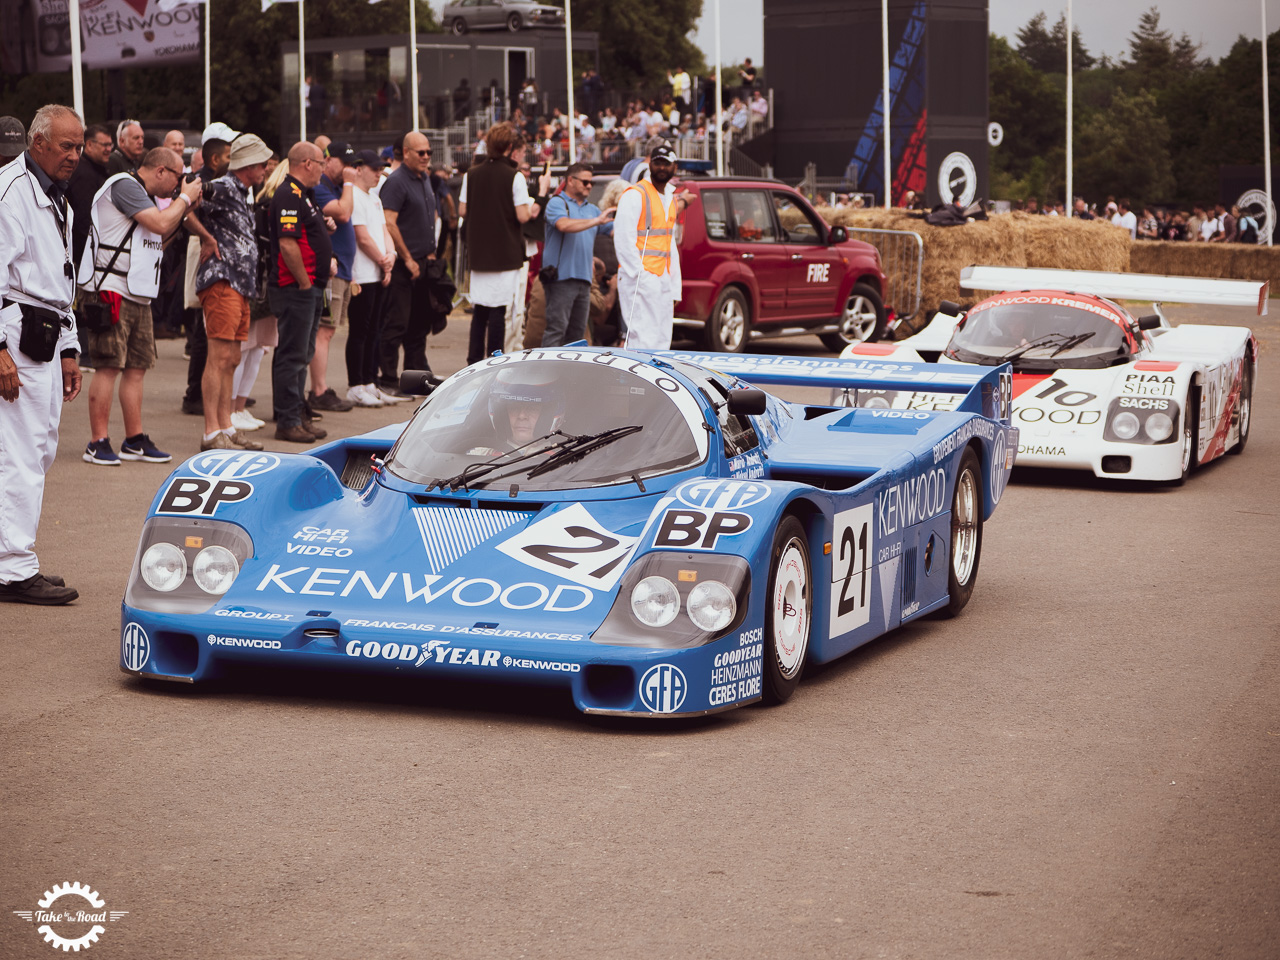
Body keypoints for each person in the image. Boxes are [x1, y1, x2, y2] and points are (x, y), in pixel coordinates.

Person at [0, 104, 85, 605]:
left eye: (78, 146)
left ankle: (12, 555)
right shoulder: (10, 191)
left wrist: (70, 347)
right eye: (66, 145)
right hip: (17, 330)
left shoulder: (58, 198)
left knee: (40, 446)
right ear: (37, 143)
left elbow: (62, 279)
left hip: (47, 331)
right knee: (21, 452)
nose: (74, 155)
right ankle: (13, 566)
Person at [82, 147, 200, 466]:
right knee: (109, 365)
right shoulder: (125, 185)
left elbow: (155, 240)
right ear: (160, 170)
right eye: (177, 177)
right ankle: (97, 441)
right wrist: (185, 200)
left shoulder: (143, 196)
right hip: (111, 290)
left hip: (137, 291)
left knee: (136, 367)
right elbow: (159, 224)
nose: (179, 184)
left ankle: (134, 440)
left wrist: (184, 208)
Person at [193, 133, 273, 452]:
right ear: (249, 165)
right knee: (219, 357)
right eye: (263, 164)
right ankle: (212, 432)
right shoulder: (224, 186)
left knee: (232, 357)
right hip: (222, 280)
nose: (267, 169)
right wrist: (205, 237)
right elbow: (188, 192)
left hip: (239, 284)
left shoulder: (241, 191)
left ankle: (226, 425)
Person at [459, 123, 545, 364]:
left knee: (480, 311)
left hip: (479, 251)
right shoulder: (514, 176)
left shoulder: (471, 173)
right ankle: (493, 359)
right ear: (509, 147)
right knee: (498, 310)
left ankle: (473, 359)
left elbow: (463, 209)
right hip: (505, 252)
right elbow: (523, 216)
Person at [267, 141, 332, 443]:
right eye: (321, 162)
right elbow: (287, 243)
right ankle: (288, 419)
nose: (323, 168)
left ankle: (298, 414)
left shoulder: (305, 195)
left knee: (303, 353)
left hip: (310, 287)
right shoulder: (288, 194)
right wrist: (304, 281)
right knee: (292, 355)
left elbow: (305, 236)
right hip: (295, 288)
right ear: (307, 163)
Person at [377, 129, 440, 399]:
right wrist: (408, 258)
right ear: (405, 153)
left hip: (424, 262)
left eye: (429, 152)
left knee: (419, 324)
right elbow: (388, 222)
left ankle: (415, 375)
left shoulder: (423, 178)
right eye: (421, 153)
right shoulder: (397, 181)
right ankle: (388, 378)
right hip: (405, 264)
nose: (426, 157)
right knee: (396, 323)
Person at [613, 142, 691, 350]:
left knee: (661, 340)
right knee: (642, 339)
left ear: (675, 167)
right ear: (650, 165)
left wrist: (675, 286)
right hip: (640, 279)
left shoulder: (670, 199)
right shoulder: (635, 194)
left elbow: (669, 246)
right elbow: (623, 240)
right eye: (657, 163)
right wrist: (641, 275)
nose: (662, 168)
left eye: (666, 164)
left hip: (661, 279)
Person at [308, 140, 358, 413]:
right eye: (344, 163)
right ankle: (318, 390)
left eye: (352, 164)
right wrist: (350, 183)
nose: (348, 169)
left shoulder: (337, 188)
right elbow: (343, 212)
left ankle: (321, 387)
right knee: (324, 331)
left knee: (329, 330)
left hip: (344, 271)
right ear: (328, 161)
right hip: (331, 270)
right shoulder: (322, 188)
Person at [542, 162, 615, 347]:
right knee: (557, 329)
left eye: (591, 183)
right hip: (561, 278)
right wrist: (596, 221)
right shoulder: (558, 202)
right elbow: (564, 225)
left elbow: (615, 230)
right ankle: (547, 373)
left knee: (576, 335)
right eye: (585, 182)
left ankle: (568, 374)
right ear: (570, 181)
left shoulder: (591, 209)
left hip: (584, 280)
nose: (589, 186)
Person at [346, 150, 395, 407]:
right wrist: (382, 259)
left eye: (380, 170)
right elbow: (361, 236)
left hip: (377, 272)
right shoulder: (353, 195)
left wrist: (391, 256)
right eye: (374, 169)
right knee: (360, 331)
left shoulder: (374, 197)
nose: (379, 174)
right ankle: (356, 384)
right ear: (359, 168)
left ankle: (369, 382)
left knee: (375, 329)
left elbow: (384, 229)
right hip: (362, 274)